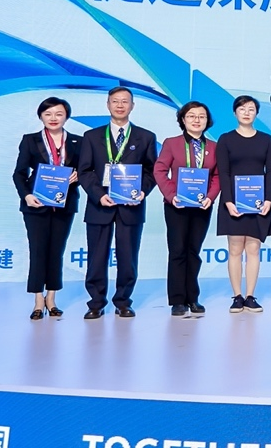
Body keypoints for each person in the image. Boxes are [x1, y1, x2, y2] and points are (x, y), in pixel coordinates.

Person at [77, 86, 157, 319]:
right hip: (99, 205)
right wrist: (98, 195)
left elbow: (152, 171)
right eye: (115, 101)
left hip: (131, 206)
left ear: (132, 106)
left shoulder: (145, 137)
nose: (120, 105)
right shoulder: (92, 136)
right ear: (108, 104)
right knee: (96, 257)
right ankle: (96, 303)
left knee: (128, 257)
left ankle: (123, 301)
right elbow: (84, 171)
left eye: (125, 101)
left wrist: (142, 191)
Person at [12, 96, 82, 319]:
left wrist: (78, 176)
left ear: (66, 117)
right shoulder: (30, 140)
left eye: (59, 114)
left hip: (64, 204)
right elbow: (19, 173)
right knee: (38, 250)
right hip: (36, 204)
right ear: (41, 116)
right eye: (48, 114)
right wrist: (27, 196)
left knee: (56, 251)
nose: (53, 118)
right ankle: (38, 300)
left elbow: (86, 170)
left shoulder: (78, 142)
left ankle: (51, 298)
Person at [153, 101, 220, 318]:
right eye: (191, 116)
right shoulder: (172, 143)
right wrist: (171, 195)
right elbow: (160, 170)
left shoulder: (214, 147)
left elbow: (217, 175)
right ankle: (177, 300)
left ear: (207, 121)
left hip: (202, 206)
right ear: (183, 119)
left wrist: (210, 197)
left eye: (201, 116)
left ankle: (193, 297)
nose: (196, 120)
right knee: (178, 251)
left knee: (193, 251)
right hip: (177, 206)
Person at [216, 95, 271, 313]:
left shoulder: (266, 139)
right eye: (242, 109)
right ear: (235, 113)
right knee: (234, 249)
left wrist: (269, 199)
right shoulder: (225, 139)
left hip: (258, 203)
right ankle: (237, 296)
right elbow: (223, 172)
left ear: (256, 113)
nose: (247, 113)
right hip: (233, 202)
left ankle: (250, 296)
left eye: (251, 109)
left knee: (253, 249)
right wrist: (228, 201)